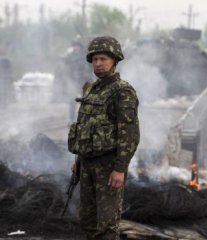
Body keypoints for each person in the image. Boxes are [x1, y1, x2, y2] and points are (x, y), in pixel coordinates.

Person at [67, 36, 140, 240]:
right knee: (87, 222)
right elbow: (84, 128)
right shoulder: (91, 89)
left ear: (114, 60)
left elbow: (129, 133)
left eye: (103, 59)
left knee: (106, 226)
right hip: (87, 165)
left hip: (108, 167)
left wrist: (120, 168)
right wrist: (78, 161)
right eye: (95, 59)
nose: (98, 64)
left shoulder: (122, 91)